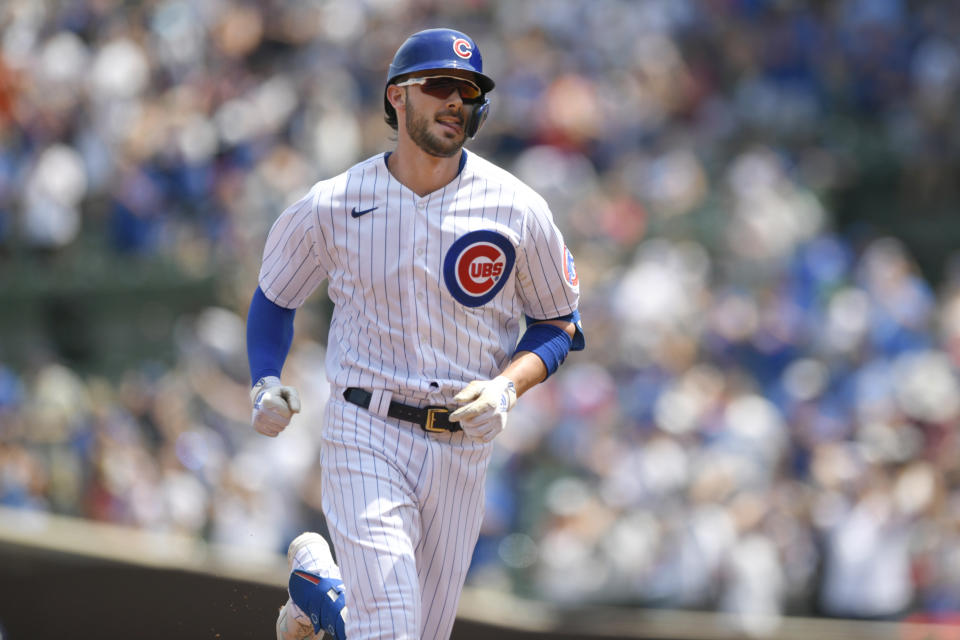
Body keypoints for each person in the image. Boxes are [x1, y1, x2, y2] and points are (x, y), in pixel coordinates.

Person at [246, 27, 584, 640]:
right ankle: (328, 596)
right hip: (366, 425)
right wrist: (264, 380)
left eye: (470, 89)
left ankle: (320, 591)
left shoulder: (517, 207)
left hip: (461, 445)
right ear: (398, 96)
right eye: (440, 85)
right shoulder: (334, 203)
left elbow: (560, 322)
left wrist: (507, 387)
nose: (457, 100)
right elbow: (275, 297)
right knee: (392, 632)